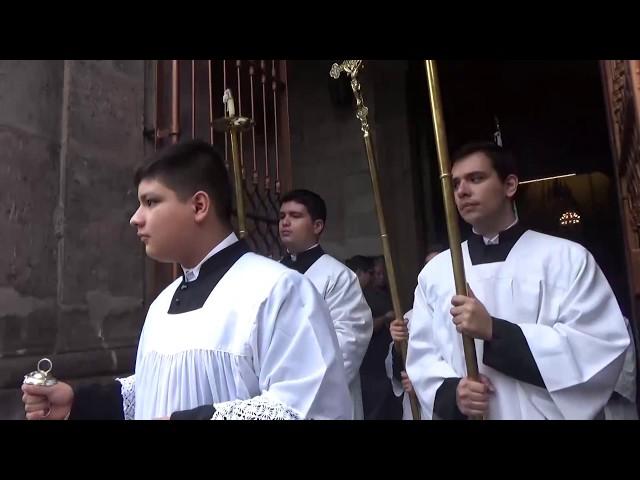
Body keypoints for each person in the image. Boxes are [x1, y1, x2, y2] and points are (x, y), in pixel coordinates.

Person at [22, 139, 351, 420]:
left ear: (199, 206)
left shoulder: (278, 290)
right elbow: (158, 387)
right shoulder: (162, 303)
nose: (136, 219)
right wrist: (79, 404)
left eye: (151, 202)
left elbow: (309, 407)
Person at [406, 141, 630, 420]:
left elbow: (598, 346)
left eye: (476, 179)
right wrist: (454, 394)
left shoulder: (566, 258)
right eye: (455, 184)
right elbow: (422, 357)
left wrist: (495, 331)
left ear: (510, 185)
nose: (462, 191)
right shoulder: (436, 272)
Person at [279, 189, 372, 420]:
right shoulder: (269, 273)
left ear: (317, 226)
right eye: (281, 216)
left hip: (322, 402)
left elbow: (348, 343)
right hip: (271, 396)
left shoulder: (338, 276)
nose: (285, 222)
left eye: (295, 216)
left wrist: (296, 387)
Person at [385, 246, 443, 419]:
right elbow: (398, 372)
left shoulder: (466, 313)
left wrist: (424, 384)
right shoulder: (410, 317)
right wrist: (398, 344)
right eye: (428, 266)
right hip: (417, 409)